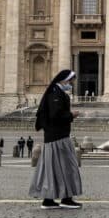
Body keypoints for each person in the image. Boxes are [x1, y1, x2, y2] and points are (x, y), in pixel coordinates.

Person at [29, 69, 83, 209]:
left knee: (52, 168)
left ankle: (49, 200)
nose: (71, 84)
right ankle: (66, 199)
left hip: (55, 137)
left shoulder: (55, 92)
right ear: (63, 80)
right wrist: (71, 115)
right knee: (68, 167)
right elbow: (55, 115)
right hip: (58, 137)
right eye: (70, 81)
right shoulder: (55, 93)